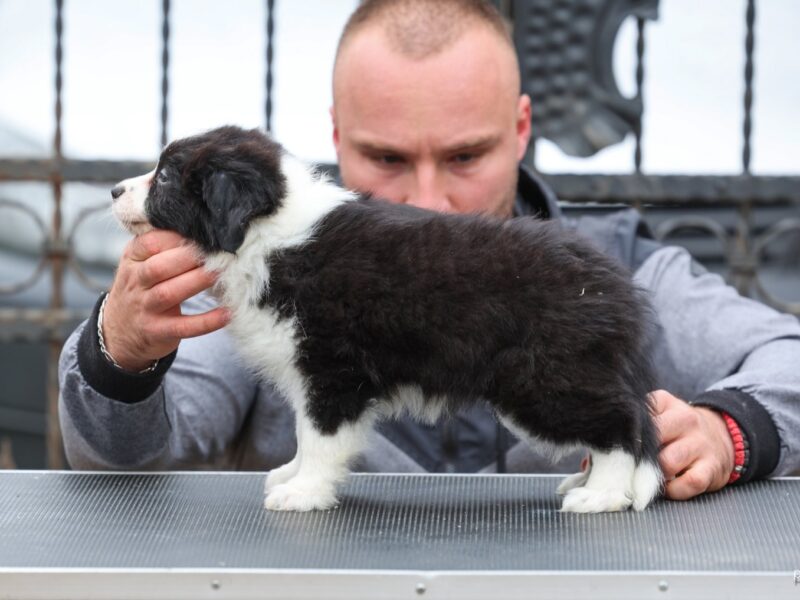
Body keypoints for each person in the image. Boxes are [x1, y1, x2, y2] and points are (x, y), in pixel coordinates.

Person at [59, 0, 799, 501]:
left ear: (519, 128)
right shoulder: (241, 269)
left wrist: (726, 431)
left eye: (464, 156)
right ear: (336, 136)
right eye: (385, 157)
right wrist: (118, 355)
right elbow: (126, 459)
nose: (426, 200)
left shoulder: (616, 266)